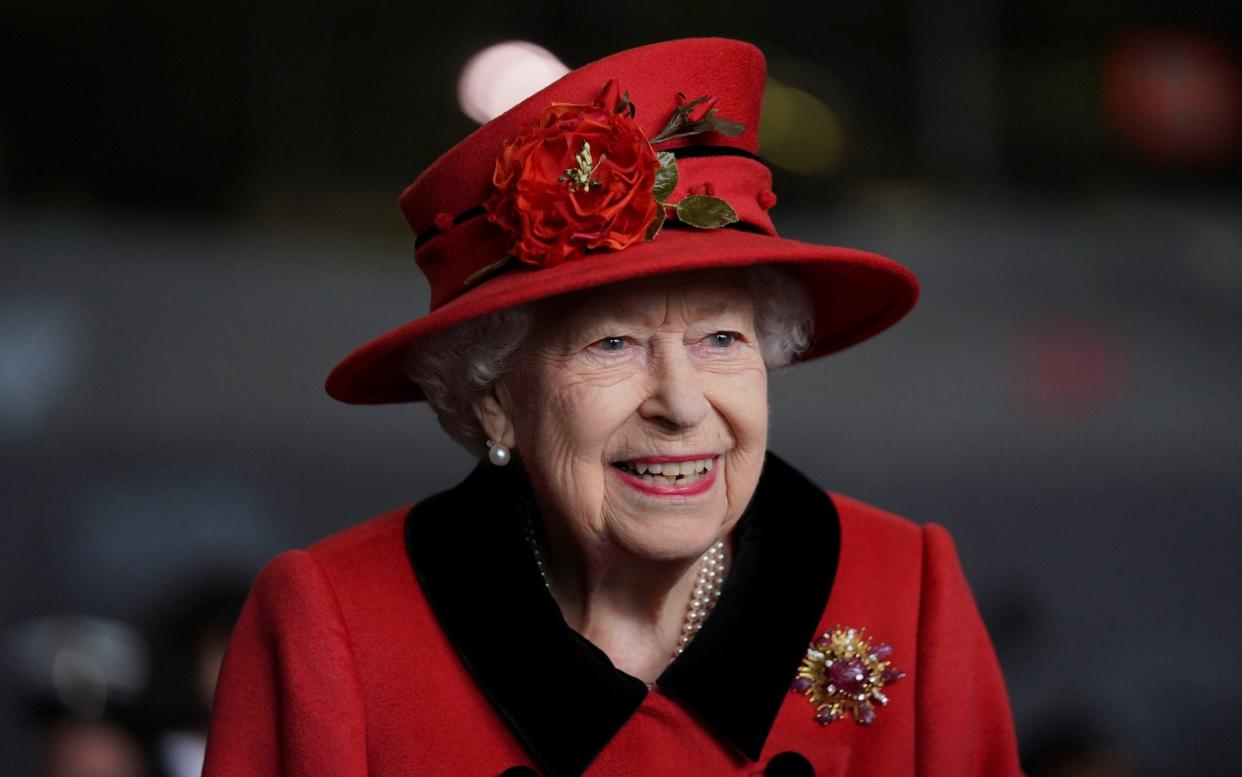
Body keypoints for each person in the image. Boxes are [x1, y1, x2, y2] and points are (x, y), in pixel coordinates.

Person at [203, 38, 1023, 776]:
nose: (680, 403)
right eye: (611, 345)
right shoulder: (336, 626)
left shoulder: (905, 589)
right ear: (494, 400)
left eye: (721, 340)